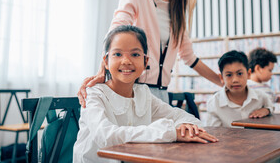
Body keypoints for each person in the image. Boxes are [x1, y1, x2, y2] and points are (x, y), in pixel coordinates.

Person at [78, 0, 222, 105]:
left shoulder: (178, 10)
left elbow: (189, 57)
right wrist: (102, 71)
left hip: (161, 95)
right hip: (133, 90)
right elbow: (116, 32)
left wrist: (223, 82)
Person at [73, 25, 218, 163]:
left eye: (135, 54)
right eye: (117, 54)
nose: (126, 61)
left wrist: (187, 127)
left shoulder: (143, 94)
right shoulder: (93, 95)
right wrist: (171, 132)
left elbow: (187, 118)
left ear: (145, 61)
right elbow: (105, 136)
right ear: (106, 61)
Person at [206, 50, 273, 127]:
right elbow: (215, 133)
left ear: (248, 74)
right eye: (229, 75)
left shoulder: (261, 96)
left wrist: (267, 110)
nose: (235, 80)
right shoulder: (214, 103)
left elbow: (270, 107)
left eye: (240, 74)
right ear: (221, 78)